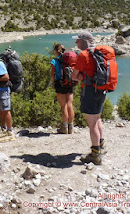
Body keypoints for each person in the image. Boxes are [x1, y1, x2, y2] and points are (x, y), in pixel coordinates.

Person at [71, 31, 106, 165]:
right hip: (101, 89)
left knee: (92, 124)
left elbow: (74, 76)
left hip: (89, 91)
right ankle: (101, 145)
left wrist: (80, 76)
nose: (76, 43)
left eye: (78, 40)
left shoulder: (83, 55)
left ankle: (95, 155)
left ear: (84, 41)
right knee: (97, 118)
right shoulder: (99, 52)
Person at [50, 43, 75, 134]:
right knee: (70, 104)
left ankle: (64, 127)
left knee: (63, 106)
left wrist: (52, 83)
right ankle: (71, 127)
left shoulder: (54, 61)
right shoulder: (68, 60)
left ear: (56, 51)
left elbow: (52, 74)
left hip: (60, 84)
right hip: (70, 83)